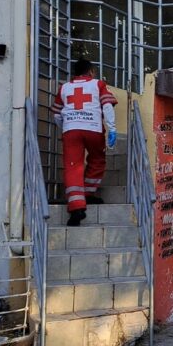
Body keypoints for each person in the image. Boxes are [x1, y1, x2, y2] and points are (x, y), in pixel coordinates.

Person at [51, 59, 118, 226]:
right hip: (94, 129)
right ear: (91, 71)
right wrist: (112, 129)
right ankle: (87, 193)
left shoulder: (64, 88)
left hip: (71, 130)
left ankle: (76, 208)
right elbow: (107, 106)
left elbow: (56, 115)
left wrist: (67, 126)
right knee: (97, 160)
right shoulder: (98, 84)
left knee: (73, 166)